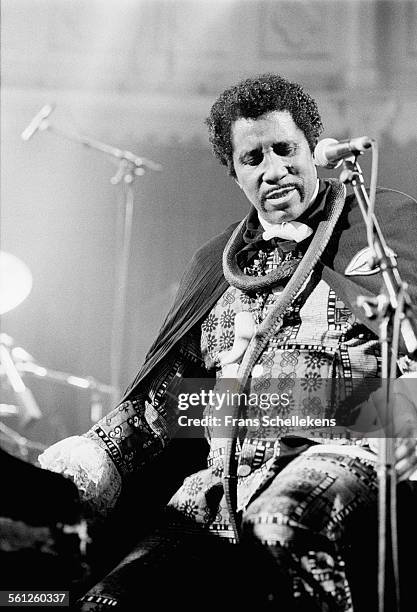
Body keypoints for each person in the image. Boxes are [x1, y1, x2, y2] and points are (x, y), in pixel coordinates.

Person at [39, 74, 417, 611]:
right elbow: (167, 406)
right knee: (107, 600)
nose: (274, 170)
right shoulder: (214, 266)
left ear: (314, 149)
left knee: (281, 524)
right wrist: (90, 459)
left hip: (343, 451)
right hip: (221, 489)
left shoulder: (386, 226)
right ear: (236, 173)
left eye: (285, 149)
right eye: (252, 158)